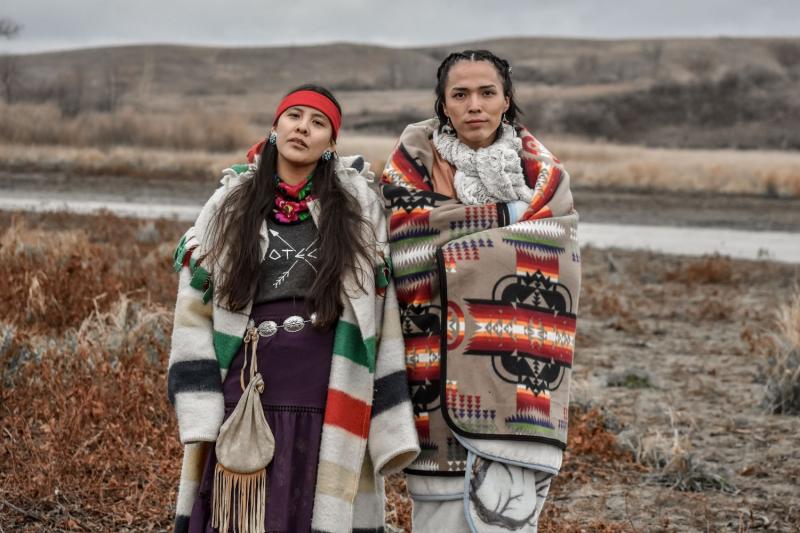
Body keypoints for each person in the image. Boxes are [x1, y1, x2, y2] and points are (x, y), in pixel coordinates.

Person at [167, 84, 419, 533]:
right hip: (246, 390)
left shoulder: (358, 208)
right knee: (236, 513)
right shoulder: (230, 202)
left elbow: (380, 307)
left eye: (318, 122)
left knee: (315, 508)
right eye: (294, 116)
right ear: (275, 126)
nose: (303, 127)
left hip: (328, 389)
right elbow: (194, 304)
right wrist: (202, 405)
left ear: (331, 144)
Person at [381, 51, 582, 532]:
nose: (475, 104)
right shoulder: (410, 166)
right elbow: (408, 248)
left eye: (487, 93)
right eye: (460, 94)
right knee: (438, 514)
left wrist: (460, 236)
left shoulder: (545, 177)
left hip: (520, 383)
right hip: (433, 373)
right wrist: (510, 221)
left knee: (509, 517)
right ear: (443, 105)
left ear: (506, 101)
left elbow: (560, 256)